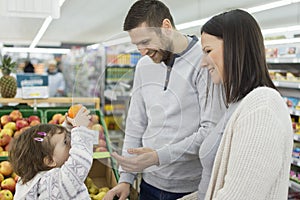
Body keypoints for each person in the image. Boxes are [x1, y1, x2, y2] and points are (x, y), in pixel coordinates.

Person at [104, 1, 226, 200]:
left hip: (190, 188)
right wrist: (125, 179)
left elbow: (210, 130)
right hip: (149, 184)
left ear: (166, 27)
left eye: (145, 42)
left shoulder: (204, 61)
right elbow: (136, 123)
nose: (142, 51)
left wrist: (158, 157)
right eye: (137, 45)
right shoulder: (144, 66)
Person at [181, 9, 293, 200]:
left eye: (208, 51)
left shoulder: (262, 108)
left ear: (235, 48)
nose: (202, 63)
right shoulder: (238, 104)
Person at [9, 106, 96, 199]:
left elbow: (54, 143)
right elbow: (80, 161)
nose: (71, 142)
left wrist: (68, 127)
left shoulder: (27, 182)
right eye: (66, 142)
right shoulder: (52, 185)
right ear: (50, 160)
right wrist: (80, 129)